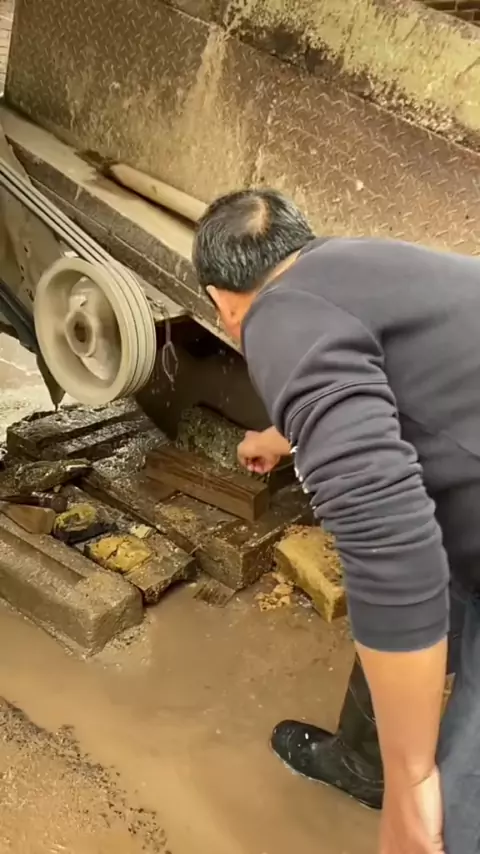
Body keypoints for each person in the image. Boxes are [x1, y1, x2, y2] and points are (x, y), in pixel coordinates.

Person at [192, 188, 480, 854]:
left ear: (220, 300)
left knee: (454, 817)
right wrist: (284, 433)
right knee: (434, 609)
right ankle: (362, 762)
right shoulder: (358, 263)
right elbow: (389, 383)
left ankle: (400, 779)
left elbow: (390, 542)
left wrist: (414, 781)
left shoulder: (271, 318)